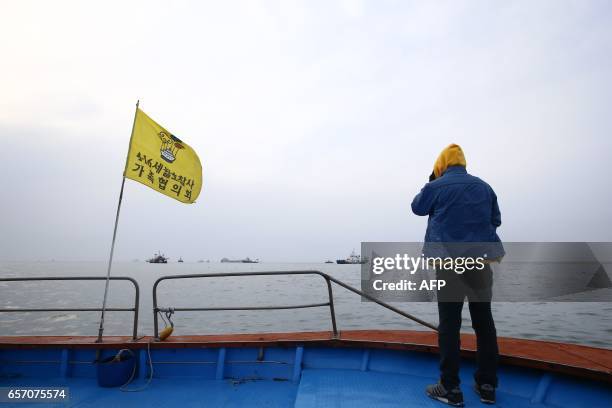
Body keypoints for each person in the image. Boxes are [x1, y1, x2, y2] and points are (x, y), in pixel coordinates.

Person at [411, 144, 502, 406]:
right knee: (484, 323)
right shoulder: (484, 187)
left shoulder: (435, 186)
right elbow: (495, 220)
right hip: (480, 263)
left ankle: (450, 389)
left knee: (449, 325)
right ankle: (487, 386)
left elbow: (417, 207)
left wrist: (431, 181)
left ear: (441, 164)